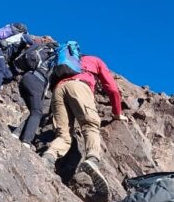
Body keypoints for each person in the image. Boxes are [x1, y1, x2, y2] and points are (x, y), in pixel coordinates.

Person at [41, 51, 126, 194]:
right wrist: (117, 113)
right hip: (79, 86)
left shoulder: (66, 64)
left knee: (63, 135)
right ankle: (92, 159)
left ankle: (48, 157)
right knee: (90, 126)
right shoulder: (95, 60)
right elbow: (112, 88)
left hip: (58, 90)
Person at [14, 40, 58, 146]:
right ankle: (26, 141)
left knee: (34, 112)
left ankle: (16, 133)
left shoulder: (44, 51)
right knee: (37, 112)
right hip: (37, 81)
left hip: (26, 78)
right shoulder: (56, 60)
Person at [0, 23, 34, 101]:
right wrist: (35, 45)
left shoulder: (16, 43)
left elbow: (11, 59)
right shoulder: (23, 35)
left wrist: (15, 71)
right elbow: (30, 41)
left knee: (9, 75)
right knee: (1, 69)